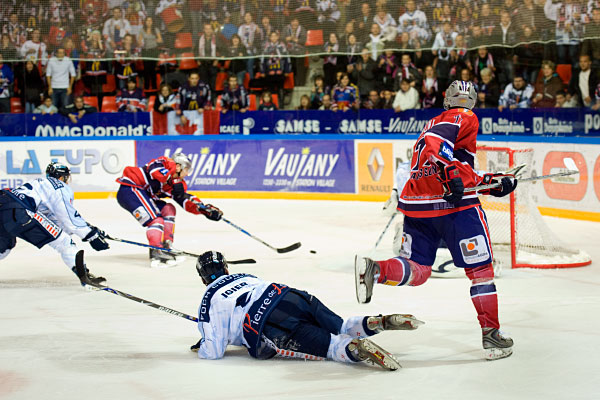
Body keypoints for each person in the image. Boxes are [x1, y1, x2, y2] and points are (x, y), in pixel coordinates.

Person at [355, 80, 517, 361]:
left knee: (418, 269)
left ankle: (375, 271)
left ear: (446, 98)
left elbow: (455, 167)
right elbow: (438, 153)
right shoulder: (464, 116)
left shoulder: (432, 121)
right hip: (456, 208)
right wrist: (451, 176)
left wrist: (494, 182)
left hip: (418, 206)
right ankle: (491, 335)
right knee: (480, 272)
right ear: (472, 100)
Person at [191, 251, 424, 370]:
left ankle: (355, 347)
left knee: (334, 346)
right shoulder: (245, 275)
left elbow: (213, 351)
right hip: (291, 295)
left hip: (271, 321)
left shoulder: (209, 298)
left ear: (202, 278)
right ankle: (376, 322)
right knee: (341, 325)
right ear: (226, 267)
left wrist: (203, 342)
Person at [0, 162, 109, 286]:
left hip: (4, 203)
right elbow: (66, 214)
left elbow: (54, 224)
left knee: (4, 247)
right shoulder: (58, 185)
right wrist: (90, 235)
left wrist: (89, 229)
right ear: (62, 177)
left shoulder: (39, 184)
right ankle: (85, 276)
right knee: (65, 243)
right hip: (19, 211)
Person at [116, 153, 223, 267]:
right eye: (186, 169)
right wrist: (173, 179)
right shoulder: (165, 162)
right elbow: (155, 171)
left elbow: (183, 199)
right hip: (131, 189)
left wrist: (203, 208)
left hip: (143, 194)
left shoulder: (176, 182)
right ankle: (156, 251)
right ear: (178, 166)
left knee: (168, 209)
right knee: (156, 220)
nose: (187, 174)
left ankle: (166, 246)